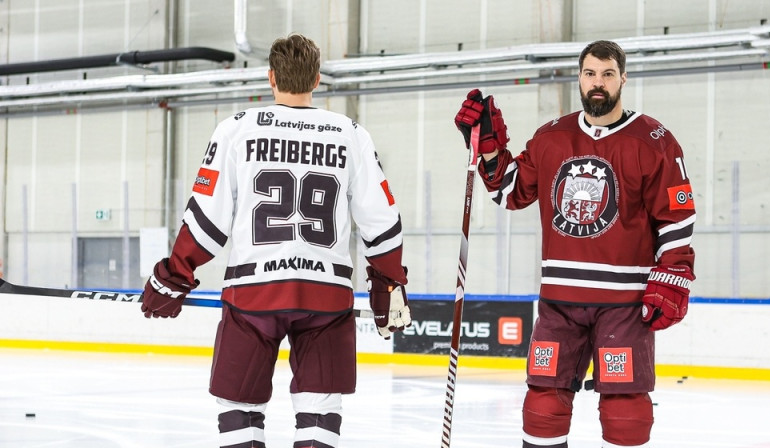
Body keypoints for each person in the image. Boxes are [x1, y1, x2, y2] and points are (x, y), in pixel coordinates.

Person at [140, 33, 411, 448]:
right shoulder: (350, 133)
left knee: (238, 407)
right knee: (320, 412)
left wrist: (174, 275)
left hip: (253, 295)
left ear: (271, 77)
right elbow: (382, 221)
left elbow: (207, 220)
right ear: (317, 79)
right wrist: (389, 284)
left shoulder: (237, 129)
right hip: (326, 295)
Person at [454, 40, 696, 448]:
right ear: (579, 78)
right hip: (560, 299)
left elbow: (677, 215)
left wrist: (673, 271)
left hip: (624, 302)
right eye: (589, 74)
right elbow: (511, 192)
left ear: (623, 78)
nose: (597, 83)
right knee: (543, 405)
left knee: (626, 412)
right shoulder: (552, 137)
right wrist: (490, 151)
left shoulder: (654, 140)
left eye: (606, 74)